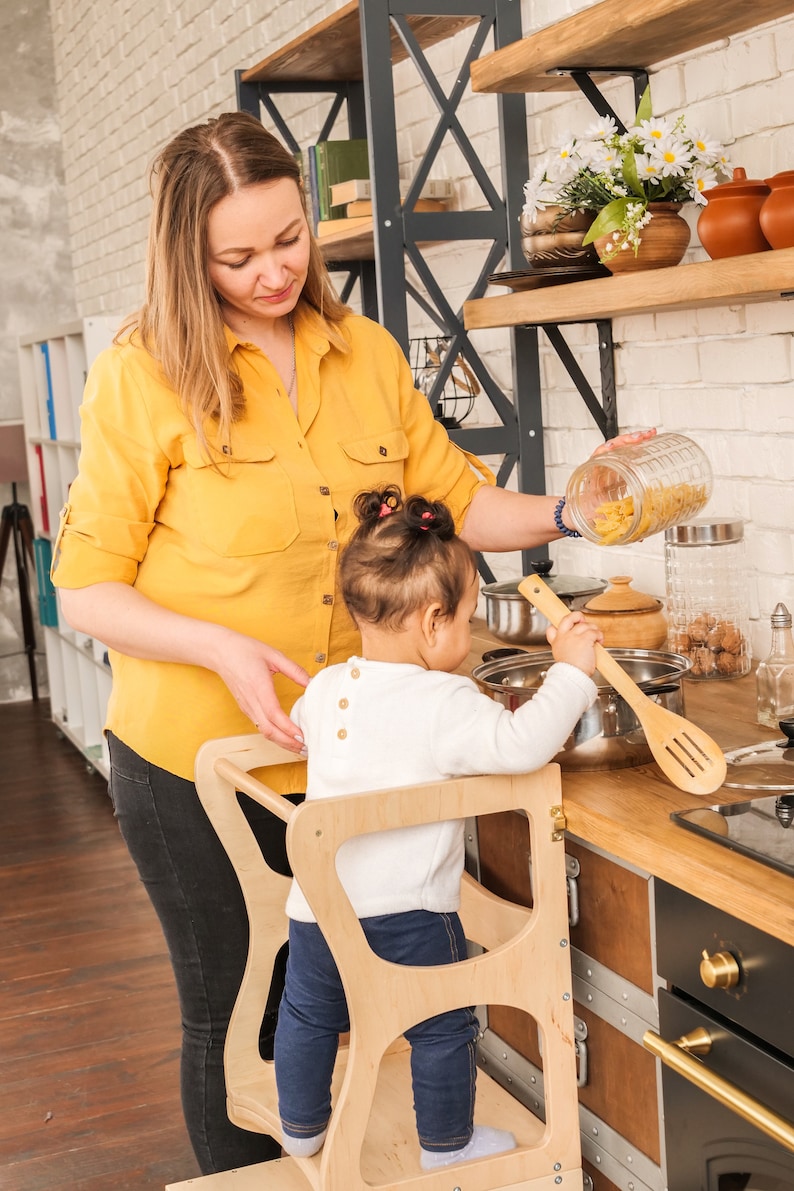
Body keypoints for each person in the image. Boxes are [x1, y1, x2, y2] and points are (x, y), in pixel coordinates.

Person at [50, 109, 652, 1175]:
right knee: (239, 1007)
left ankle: (352, 1163)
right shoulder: (139, 377)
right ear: (185, 254)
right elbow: (85, 588)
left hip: (354, 766)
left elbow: (458, 503)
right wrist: (217, 648)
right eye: (236, 256)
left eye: (288, 239)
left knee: (336, 1000)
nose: (274, 271)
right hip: (202, 759)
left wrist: (572, 508)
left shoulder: (363, 352)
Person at [274, 486, 602, 1169]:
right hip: (409, 915)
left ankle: (300, 1127)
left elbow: (304, 725)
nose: (469, 632)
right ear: (431, 622)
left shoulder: (329, 685)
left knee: (306, 1014)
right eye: (468, 618)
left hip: (316, 907)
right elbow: (519, 746)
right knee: (443, 1023)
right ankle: (446, 1146)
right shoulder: (445, 701)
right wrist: (570, 674)